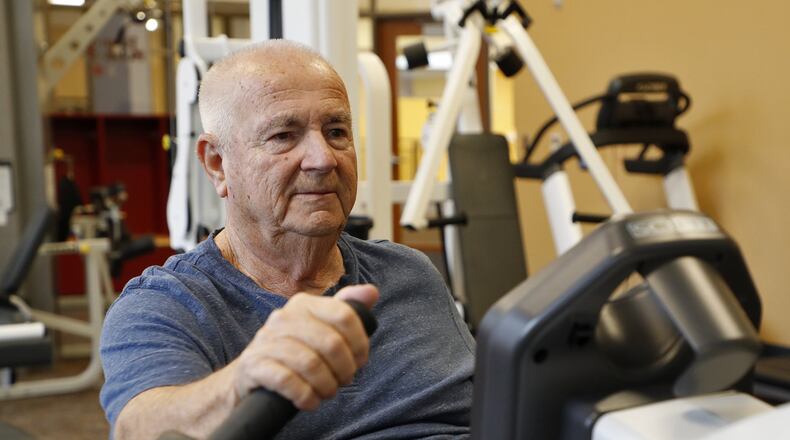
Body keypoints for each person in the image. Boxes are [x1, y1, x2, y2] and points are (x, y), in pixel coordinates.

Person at [99, 40, 475, 439]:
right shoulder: (166, 304)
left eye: (336, 132)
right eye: (283, 136)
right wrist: (244, 380)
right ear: (216, 164)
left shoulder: (408, 271)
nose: (323, 158)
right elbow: (139, 426)